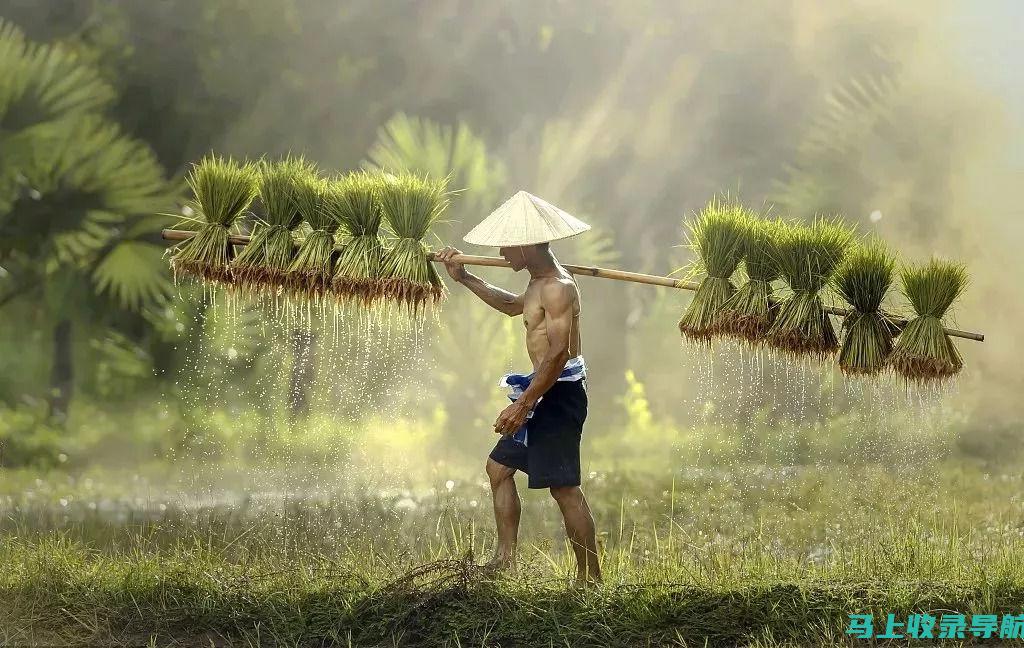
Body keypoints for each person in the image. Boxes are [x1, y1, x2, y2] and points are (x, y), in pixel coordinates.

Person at [436, 190, 602, 585]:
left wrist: (523, 405)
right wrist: (466, 278)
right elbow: (514, 306)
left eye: (507, 243)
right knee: (498, 469)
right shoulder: (537, 282)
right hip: (538, 391)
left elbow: (559, 353)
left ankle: (590, 579)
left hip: (557, 394)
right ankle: (506, 560)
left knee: (564, 489)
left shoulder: (559, 286)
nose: (501, 251)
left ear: (527, 244)